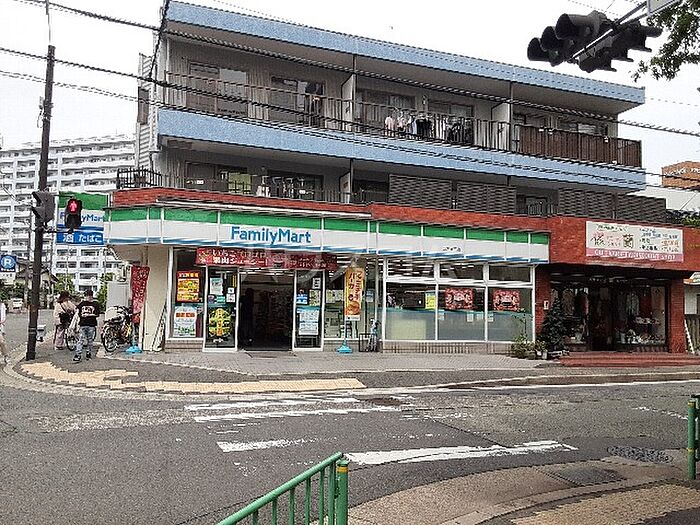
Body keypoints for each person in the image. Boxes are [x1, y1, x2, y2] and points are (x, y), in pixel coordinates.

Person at [73, 290, 100, 363]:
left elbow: (97, 314)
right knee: (80, 340)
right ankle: (78, 354)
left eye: (88, 296)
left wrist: (89, 315)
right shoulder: (82, 303)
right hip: (82, 324)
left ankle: (88, 352)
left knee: (90, 340)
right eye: (86, 296)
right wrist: (81, 315)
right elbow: (78, 312)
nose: (87, 297)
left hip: (91, 324)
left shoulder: (95, 304)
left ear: (91, 296)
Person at [0, 300, 9, 365]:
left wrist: (1, 322)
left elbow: (3, 317)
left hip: (0, 326)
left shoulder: (2, 306)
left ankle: (5, 355)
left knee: (2, 342)